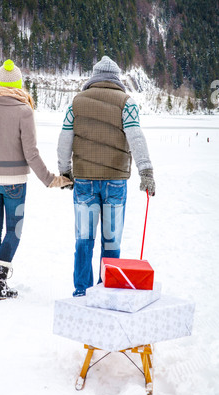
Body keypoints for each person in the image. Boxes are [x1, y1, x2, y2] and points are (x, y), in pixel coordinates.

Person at [57, 56, 156, 297]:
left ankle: (82, 290)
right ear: (116, 78)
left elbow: (64, 140)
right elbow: (136, 136)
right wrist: (146, 170)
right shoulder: (127, 103)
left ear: (94, 77)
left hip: (84, 182)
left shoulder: (76, 103)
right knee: (111, 242)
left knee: (84, 239)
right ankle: (107, 290)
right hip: (115, 181)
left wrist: (65, 170)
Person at [0, 59, 72, 299]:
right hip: (14, 181)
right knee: (13, 231)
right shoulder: (24, 110)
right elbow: (31, 153)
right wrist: (51, 179)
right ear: (19, 84)